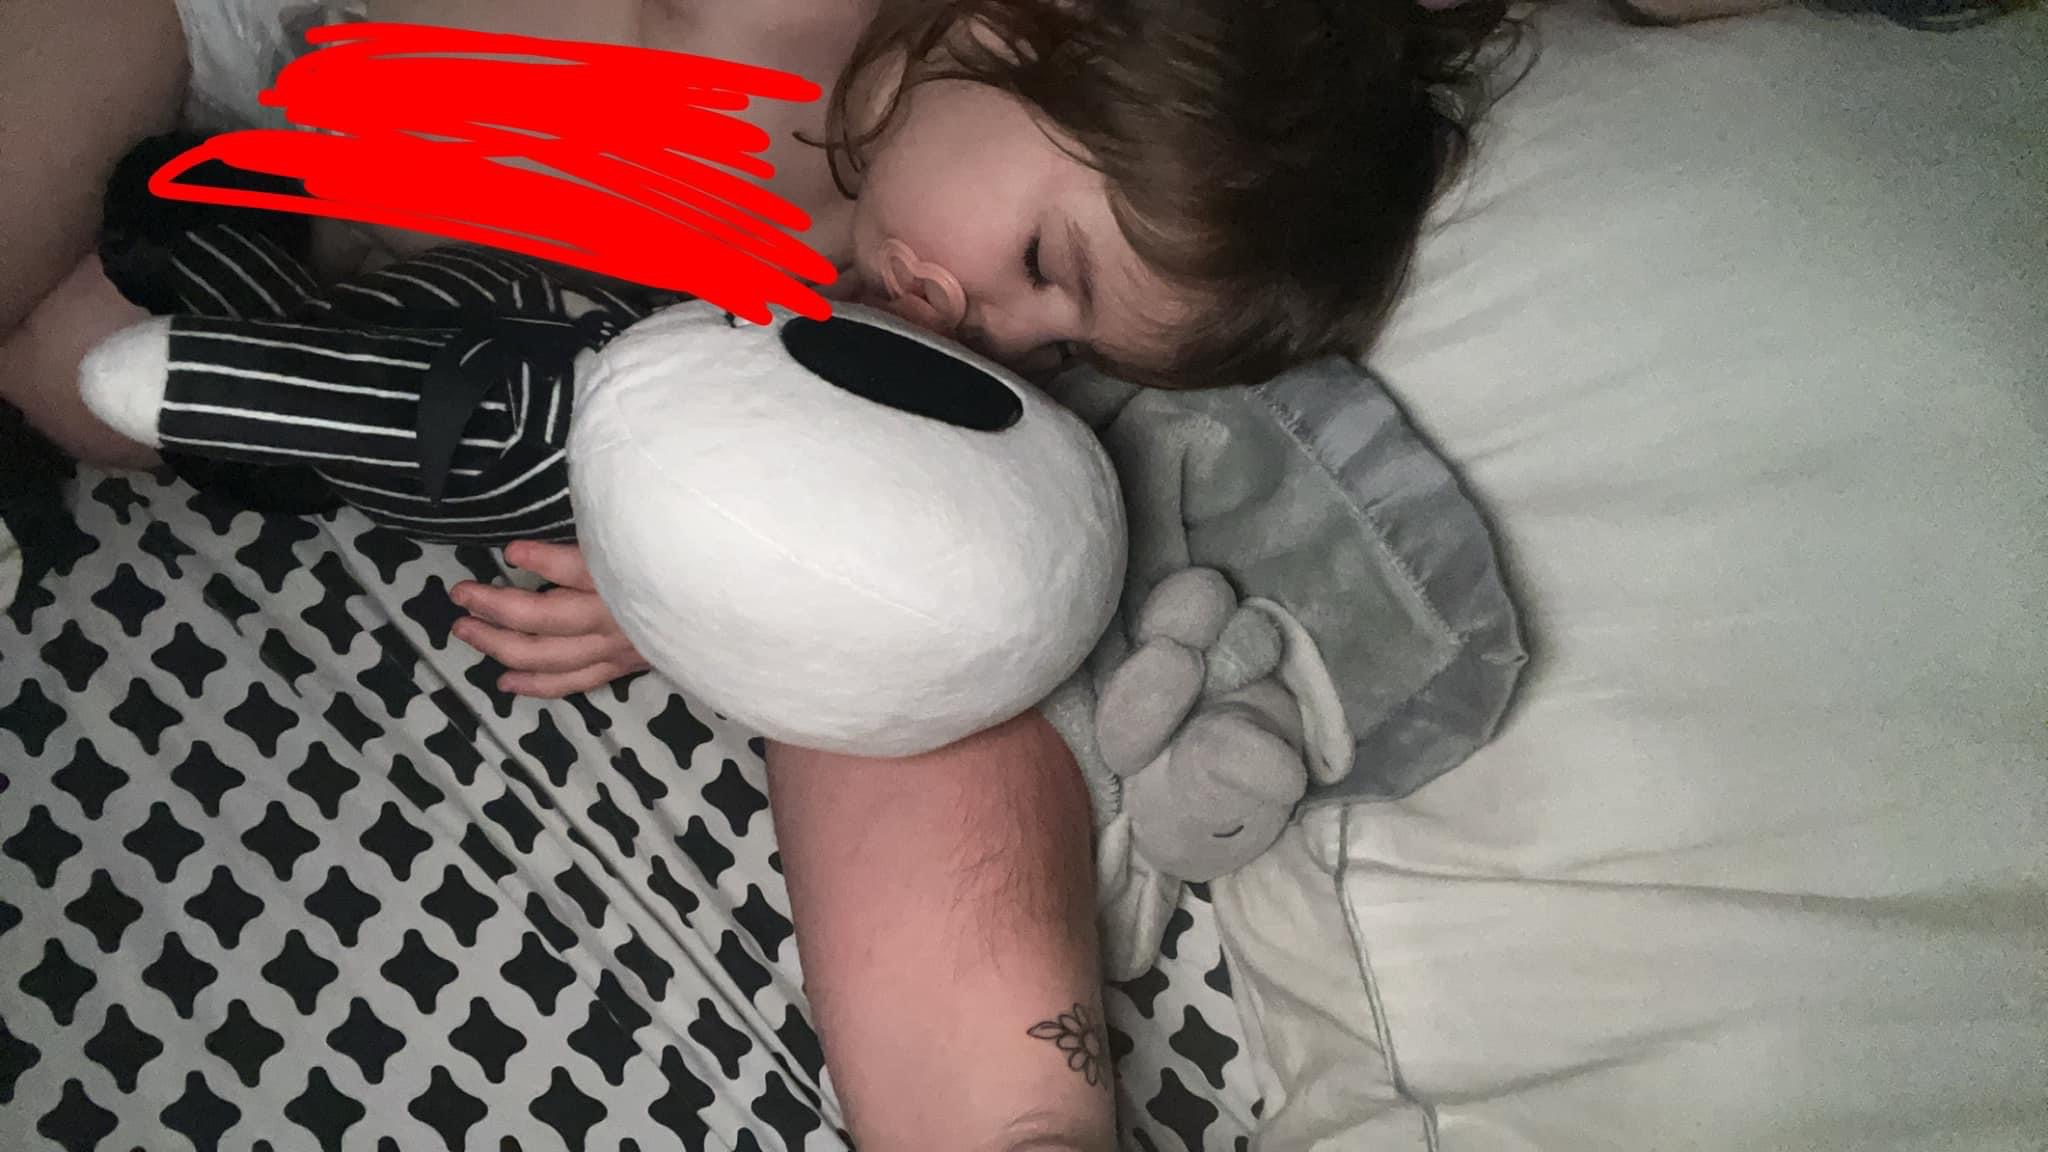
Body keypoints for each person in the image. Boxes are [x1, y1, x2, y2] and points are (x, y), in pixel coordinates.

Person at [0, 0, 1513, 1147]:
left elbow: (774, 499)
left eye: (1065, 346)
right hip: (239, 28)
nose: (1002, 328)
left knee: (82, 382)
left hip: (289, 244)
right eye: (1044, 266)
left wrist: (680, 581)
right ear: (1009, 29)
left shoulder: (902, 318)